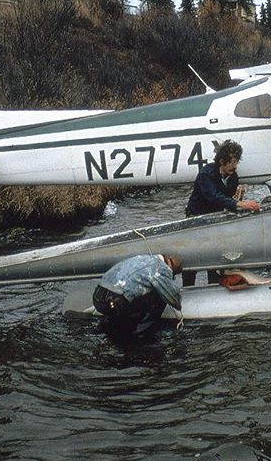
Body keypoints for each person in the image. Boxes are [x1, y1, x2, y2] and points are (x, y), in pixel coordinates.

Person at [184, 139, 259, 286]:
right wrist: (239, 204)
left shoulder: (233, 177)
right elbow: (213, 196)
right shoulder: (206, 173)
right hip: (196, 220)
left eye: (236, 162)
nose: (235, 166)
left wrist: (238, 198)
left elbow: (228, 199)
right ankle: (187, 288)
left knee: (214, 257)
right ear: (222, 161)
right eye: (231, 162)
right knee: (192, 257)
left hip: (215, 222)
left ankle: (213, 286)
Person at [93, 254, 183, 340]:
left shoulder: (141, 258)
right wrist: (179, 307)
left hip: (98, 298)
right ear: (171, 266)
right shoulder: (161, 268)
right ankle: (141, 334)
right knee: (159, 296)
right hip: (116, 302)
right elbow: (171, 296)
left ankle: (104, 327)